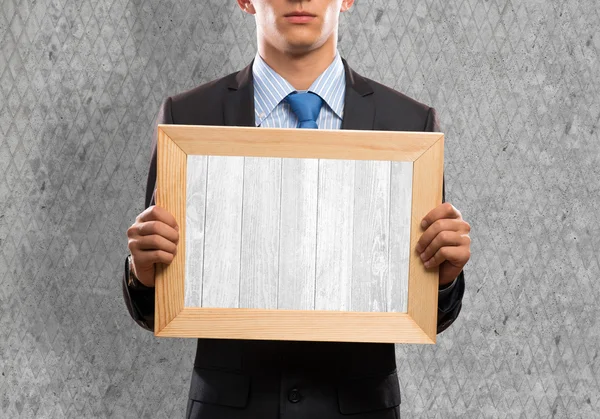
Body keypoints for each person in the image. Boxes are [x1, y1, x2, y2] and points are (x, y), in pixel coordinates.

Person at [122, 0, 471, 417]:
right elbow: (155, 300)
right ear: (246, 1)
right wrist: (142, 271)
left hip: (358, 408)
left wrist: (445, 278)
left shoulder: (409, 126)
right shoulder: (189, 117)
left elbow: (426, 311)